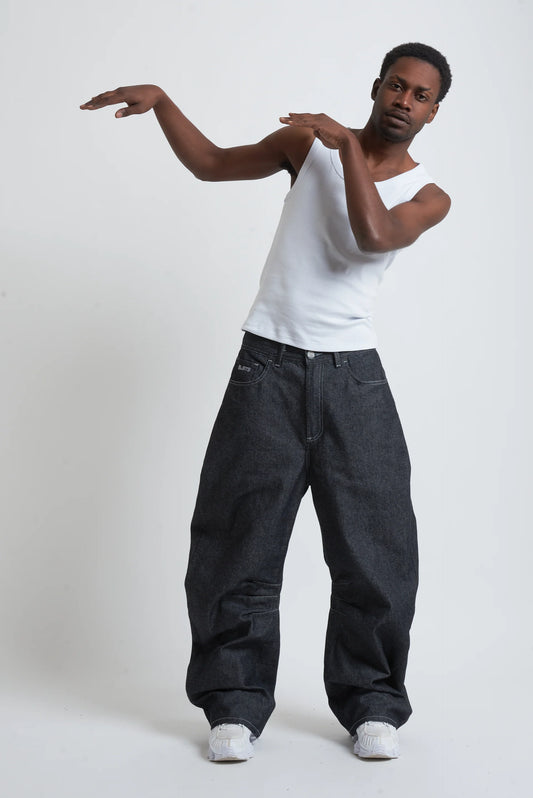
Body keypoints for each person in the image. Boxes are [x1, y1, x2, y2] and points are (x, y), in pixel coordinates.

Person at [80, 41, 452, 762]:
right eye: (396, 85)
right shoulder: (304, 147)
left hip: (353, 378)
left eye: (420, 95)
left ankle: (372, 704)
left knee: (376, 552)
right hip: (267, 366)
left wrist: (346, 148)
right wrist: (164, 102)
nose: (403, 101)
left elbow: (372, 235)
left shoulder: (428, 195)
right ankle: (233, 703)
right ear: (376, 86)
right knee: (237, 542)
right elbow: (211, 163)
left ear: (433, 112)